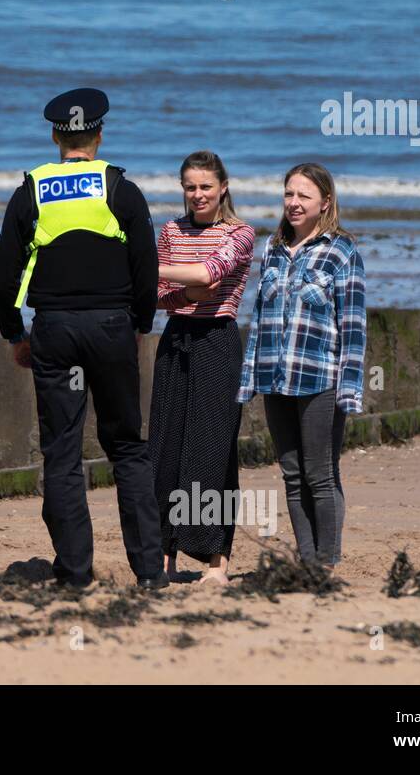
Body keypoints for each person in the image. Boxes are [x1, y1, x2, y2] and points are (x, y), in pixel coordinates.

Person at [0, 87, 167, 589]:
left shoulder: (31, 190)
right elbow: (146, 268)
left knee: (63, 453)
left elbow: (4, 275)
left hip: (55, 331)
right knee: (128, 448)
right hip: (112, 327)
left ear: (54, 136)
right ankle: (150, 574)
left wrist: (13, 333)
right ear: (99, 135)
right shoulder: (121, 190)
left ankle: (74, 574)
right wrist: (139, 327)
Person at [238, 162, 366, 569]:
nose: (293, 203)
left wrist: (349, 387)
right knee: (292, 475)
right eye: (289, 194)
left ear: (324, 201)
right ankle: (306, 561)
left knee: (320, 474)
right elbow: (258, 319)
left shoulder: (342, 252)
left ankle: (327, 563)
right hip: (276, 378)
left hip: (320, 379)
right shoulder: (273, 248)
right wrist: (249, 378)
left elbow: (354, 326)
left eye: (303, 196)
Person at [148, 151, 256, 585]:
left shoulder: (241, 233)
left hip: (218, 340)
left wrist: (164, 274)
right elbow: (153, 295)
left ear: (223, 187)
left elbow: (210, 274)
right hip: (175, 339)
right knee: (165, 450)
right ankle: (164, 557)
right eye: (190, 187)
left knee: (212, 451)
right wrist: (180, 291)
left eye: (205, 186)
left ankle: (217, 562)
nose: (197, 195)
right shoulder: (172, 229)